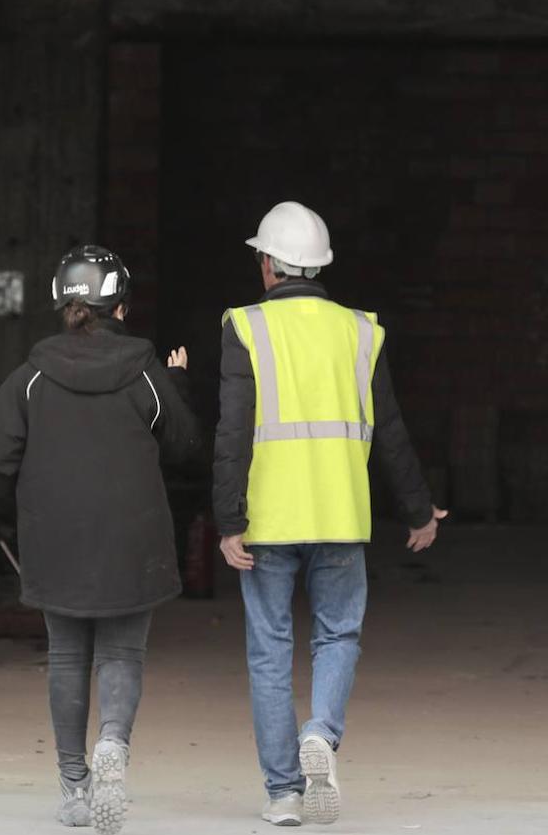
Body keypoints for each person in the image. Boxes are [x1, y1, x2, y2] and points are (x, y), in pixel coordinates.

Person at [212, 202, 447, 827]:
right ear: (318, 267)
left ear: (267, 264)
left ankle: (285, 793)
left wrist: (228, 519)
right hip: (342, 513)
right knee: (337, 635)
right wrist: (419, 510)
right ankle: (321, 733)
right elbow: (390, 430)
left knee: (269, 649)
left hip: (268, 518)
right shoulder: (362, 331)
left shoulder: (246, 326)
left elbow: (232, 432)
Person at [0, 245, 201, 834]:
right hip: (133, 537)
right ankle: (113, 745)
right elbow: (183, 444)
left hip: (55, 538)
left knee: (68, 658)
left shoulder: (30, 377)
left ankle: (75, 785)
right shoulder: (147, 374)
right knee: (122, 653)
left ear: (62, 305)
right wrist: (177, 382)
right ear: (121, 309)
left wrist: (11, 508)